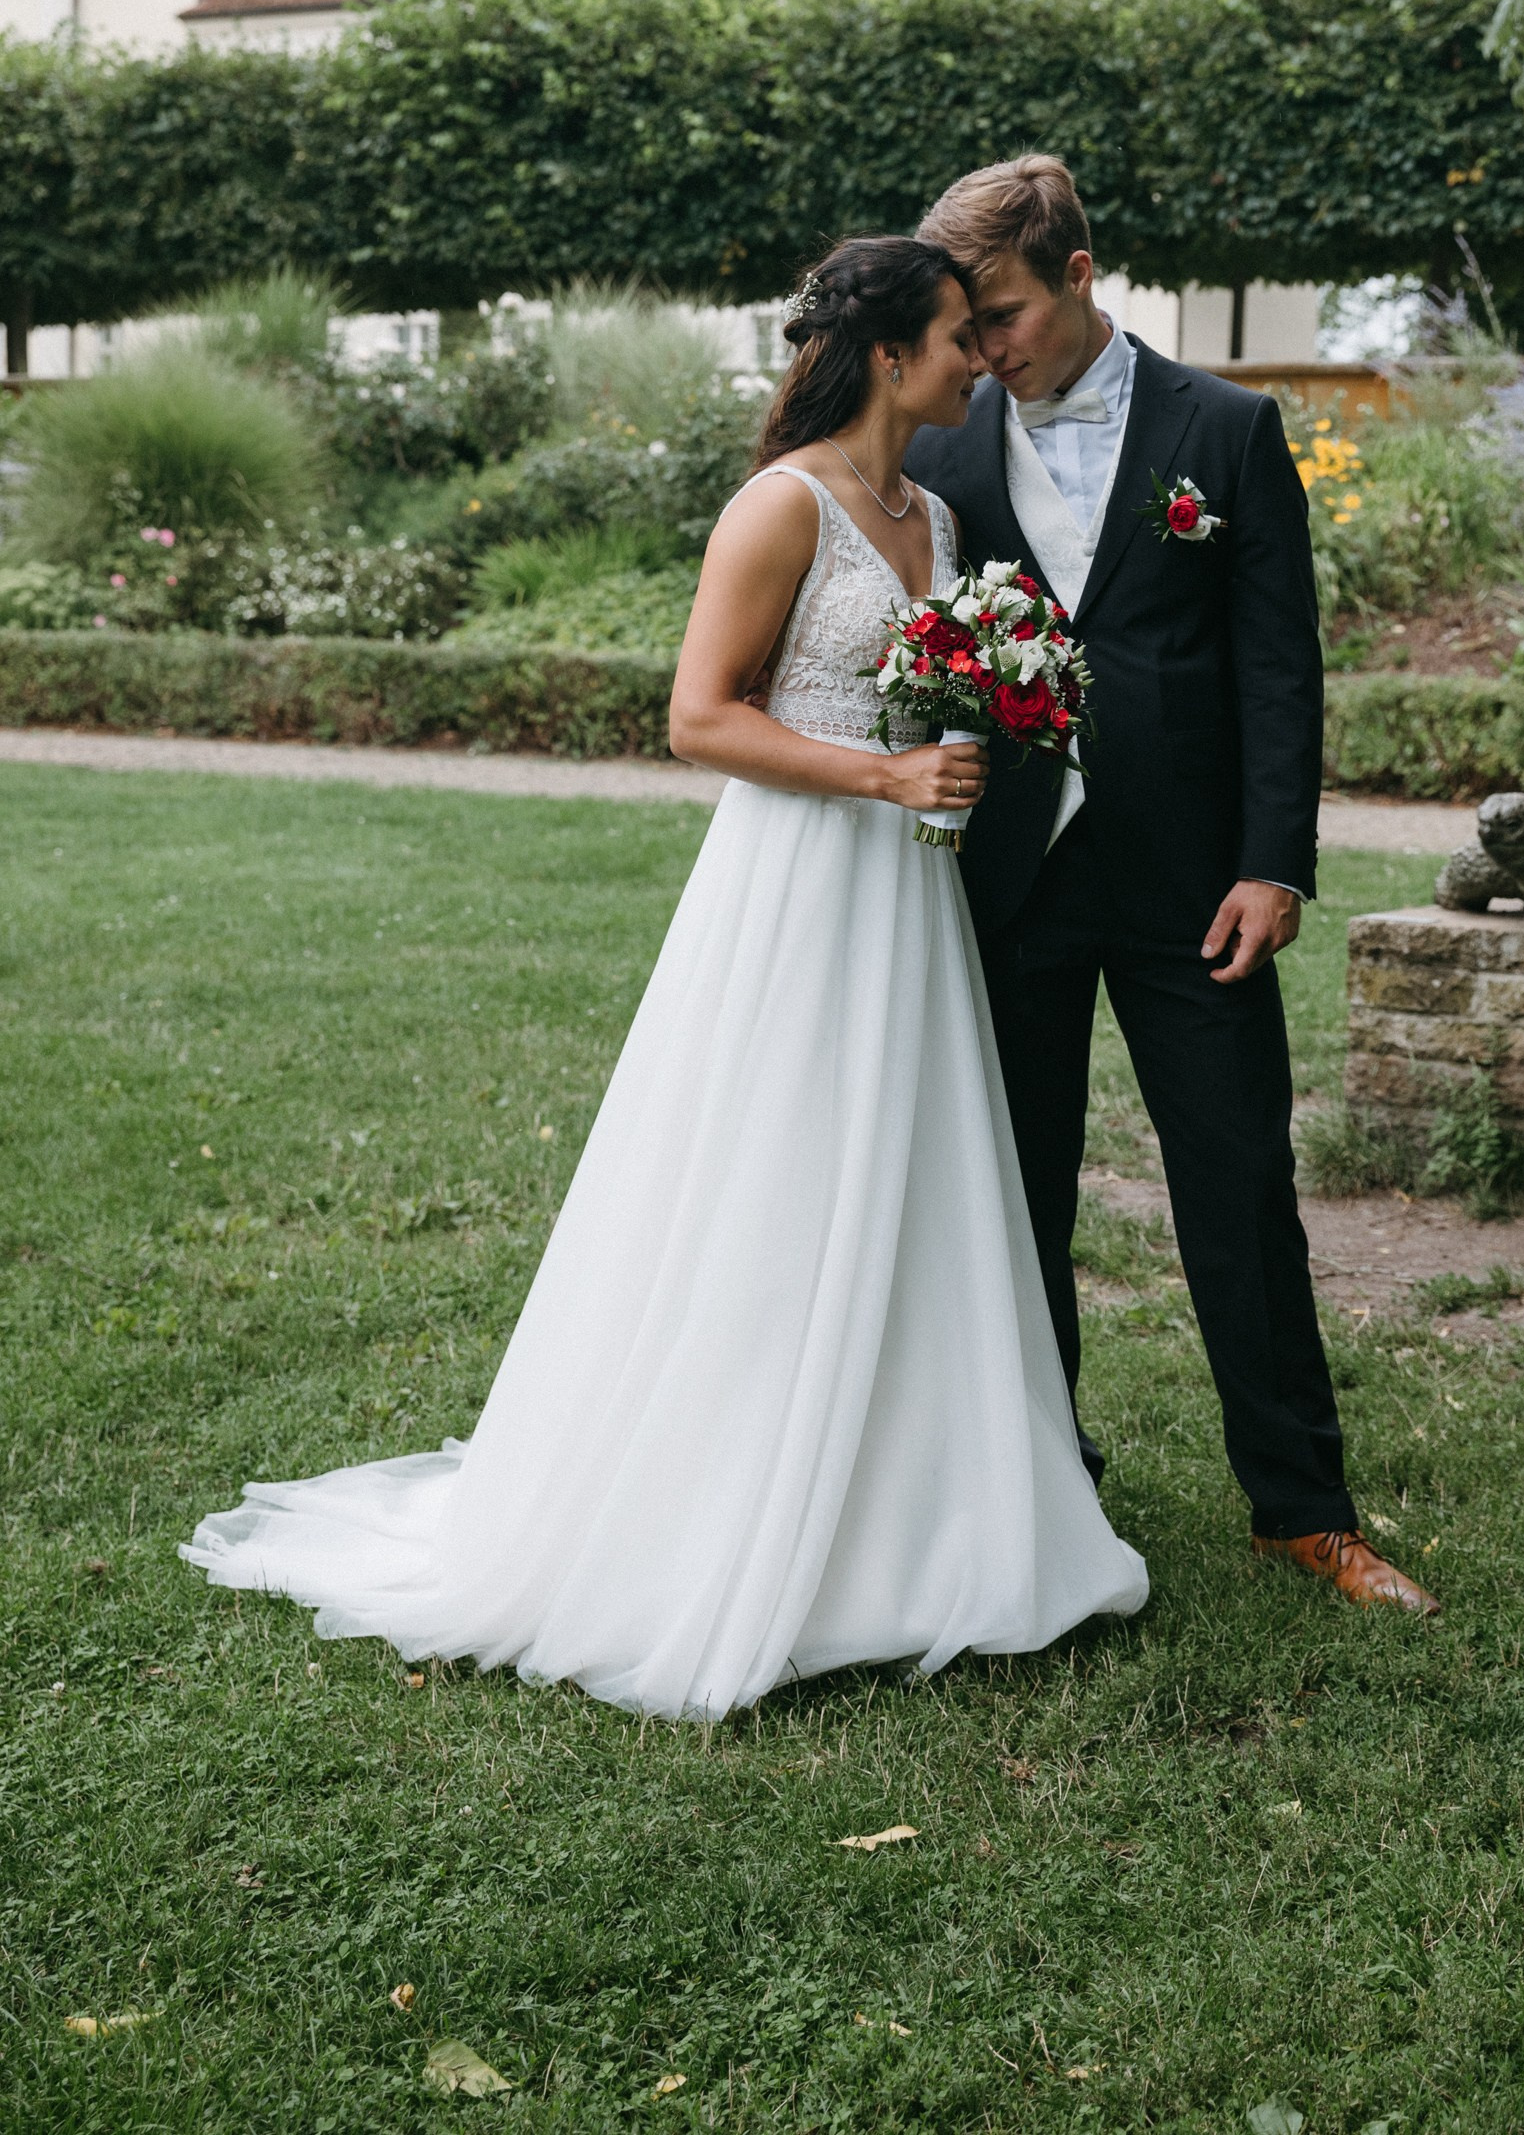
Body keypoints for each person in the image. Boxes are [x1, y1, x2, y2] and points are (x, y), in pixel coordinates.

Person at [183, 238, 1147, 1719]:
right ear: (892, 354)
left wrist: (970, 741)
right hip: (798, 884)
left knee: (907, 1179)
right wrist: (883, 773)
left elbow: (934, 696)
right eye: (959, 335)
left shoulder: (942, 523)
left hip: (908, 898)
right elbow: (698, 720)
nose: (978, 360)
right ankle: (726, 1504)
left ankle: (913, 1509)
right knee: (771, 1176)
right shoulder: (782, 508)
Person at [904, 154, 1438, 1615]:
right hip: (1004, 885)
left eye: (1004, 313)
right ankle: (1042, 1482)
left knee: (1240, 1189)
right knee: (1016, 1200)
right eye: (969, 324)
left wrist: (1277, 862)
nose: (988, 348)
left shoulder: (1232, 429)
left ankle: (1301, 1508)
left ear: (1081, 276)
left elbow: (1280, 664)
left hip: (1197, 889)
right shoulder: (945, 450)